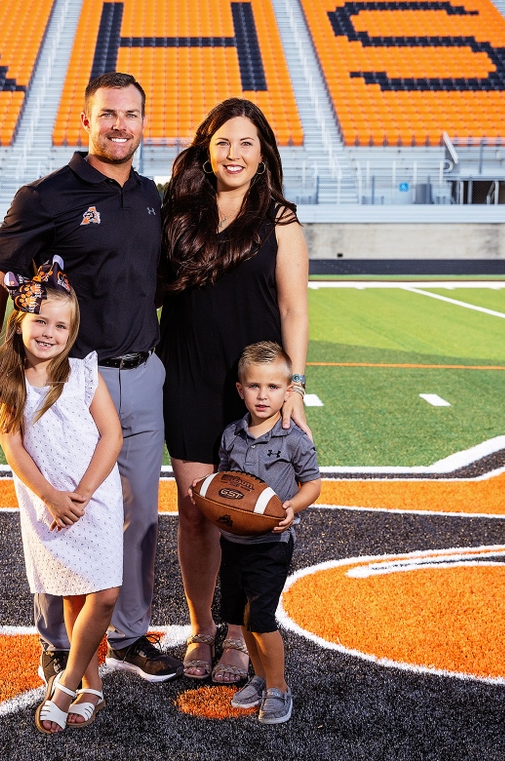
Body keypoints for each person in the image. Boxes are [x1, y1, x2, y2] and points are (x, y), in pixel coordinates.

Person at [0, 72, 182, 686]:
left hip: (141, 375)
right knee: (56, 512)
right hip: (68, 385)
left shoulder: (150, 195)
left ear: (144, 123)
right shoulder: (45, 196)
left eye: (132, 114)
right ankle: (56, 640)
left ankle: (130, 634)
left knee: (140, 513)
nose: (120, 124)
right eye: (108, 114)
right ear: (84, 122)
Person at [158, 98, 311, 684]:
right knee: (197, 513)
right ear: (207, 147)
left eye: (247, 143)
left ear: (263, 152)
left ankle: (242, 637)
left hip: (255, 389)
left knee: (248, 516)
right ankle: (202, 628)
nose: (234, 154)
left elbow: (294, 308)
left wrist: (293, 383)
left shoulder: (280, 219)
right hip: (188, 376)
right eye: (224, 141)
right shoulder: (179, 213)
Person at [0, 258, 121, 733]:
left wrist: (82, 494)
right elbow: (14, 449)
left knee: (104, 594)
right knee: (71, 593)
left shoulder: (84, 373)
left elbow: (112, 436)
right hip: (47, 504)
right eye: (40, 321)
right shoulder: (5, 380)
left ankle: (64, 686)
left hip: (94, 496)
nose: (49, 332)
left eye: (60, 325)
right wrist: (50, 496)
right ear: (20, 322)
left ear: (72, 331)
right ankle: (93, 686)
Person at [203, 340, 321, 724]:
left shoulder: (293, 437)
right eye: (254, 386)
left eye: (273, 387)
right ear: (241, 389)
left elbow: (313, 484)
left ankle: (279, 687)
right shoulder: (231, 435)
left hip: (271, 543)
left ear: (288, 391)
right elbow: (224, 485)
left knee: (262, 618)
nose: (263, 395)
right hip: (233, 543)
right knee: (241, 613)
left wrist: (292, 508)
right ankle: (259, 675)